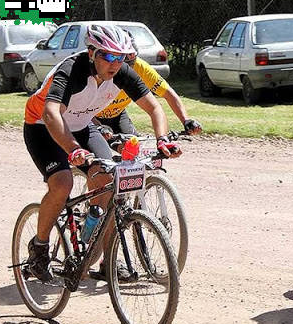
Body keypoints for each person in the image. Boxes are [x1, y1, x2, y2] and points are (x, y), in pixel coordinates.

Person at [23, 25, 183, 282]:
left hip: (83, 127)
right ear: (91, 53)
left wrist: (162, 140)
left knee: (110, 182)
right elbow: (51, 114)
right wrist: (73, 150)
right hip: (43, 128)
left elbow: (154, 108)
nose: (115, 63)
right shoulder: (70, 70)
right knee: (62, 183)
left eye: (120, 57)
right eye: (108, 56)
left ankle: (99, 251)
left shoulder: (121, 73)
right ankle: (39, 247)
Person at [95, 32, 202, 137]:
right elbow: (78, 110)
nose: (128, 71)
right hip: (90, 117)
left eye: (132, 62)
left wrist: (186, 120)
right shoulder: (101, 69)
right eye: (123, 63)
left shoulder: (141, 67)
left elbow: (168, 94)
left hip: (117, 115)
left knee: (132, 147)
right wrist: (98, 126)